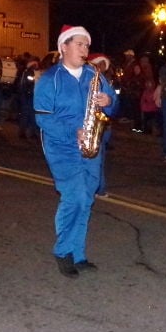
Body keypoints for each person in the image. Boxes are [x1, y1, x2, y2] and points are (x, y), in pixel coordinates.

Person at [34, 25, 116, 276]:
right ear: (63, 47)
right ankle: (63, 251)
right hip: (62, 148)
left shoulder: (95, 76)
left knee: (86, 200)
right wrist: (73, 132)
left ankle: (78, 253)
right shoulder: (50, 79)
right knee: (76, 197)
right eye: (79, 45)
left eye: (86, 46)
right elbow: (42, 118)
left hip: (91, 146)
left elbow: (113, 102)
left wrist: (109, 101)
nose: (85, 50)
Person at [88, 54, 119, 197]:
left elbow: (114, 103)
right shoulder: (86, 76)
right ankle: (93, 188)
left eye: (103, 65)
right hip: (86, 124)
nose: (101, 68)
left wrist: (110, 101)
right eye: (98, 64)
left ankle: (99, 188)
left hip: (100, 124)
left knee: (99, 157)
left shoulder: (103, 80)